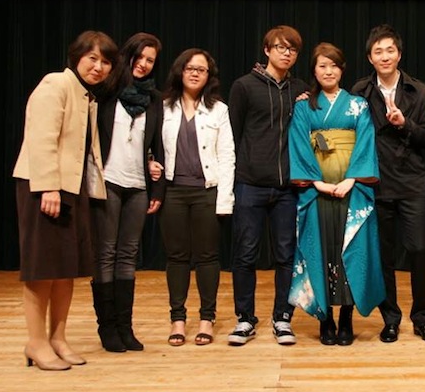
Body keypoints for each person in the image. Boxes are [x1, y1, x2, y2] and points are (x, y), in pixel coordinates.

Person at [13, 30, 119, 370]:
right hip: (45, 187)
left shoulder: (86, 96)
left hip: (72, 189)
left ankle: (58, 338)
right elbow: (41, 138)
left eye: (105, 62)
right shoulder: (56, 84)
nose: (99, 67)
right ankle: (36, 342)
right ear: (76, 57)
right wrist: (49, 188)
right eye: (93, 59)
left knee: (66, 271)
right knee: (42, 269)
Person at [287, 42, 384, 345]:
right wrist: (317, 183)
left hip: (350, 190)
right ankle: (325, 317)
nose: (328, 71)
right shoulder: (304, 107)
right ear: (314, 71)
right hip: (318, 192)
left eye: (334, 65)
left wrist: (352, 179)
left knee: (350, 252)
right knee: (324, 250)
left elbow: (366, 142)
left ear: (342, 69)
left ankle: (346, 318)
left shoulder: (358, 105)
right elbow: (299, 144)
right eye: (322, 66)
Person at [350, 23, 425, 343]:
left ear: (399, 54)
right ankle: (390, 318)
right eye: (378, 51)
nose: (385, 56)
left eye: (390, 50)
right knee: (383, 255)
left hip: (412, 182)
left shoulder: (419, 91)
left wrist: (405, 125)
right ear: (370, 57)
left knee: (419, 250)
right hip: (375, 183)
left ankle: (422, 318)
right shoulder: (360, 92)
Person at [226, 25, 309, 346]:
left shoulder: (300, 89)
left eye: (292, 49)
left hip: (288, 188)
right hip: (250, 184)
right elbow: (233, 135)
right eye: (280, 47)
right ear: (267, 50)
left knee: (286, 255)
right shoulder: (244, 87)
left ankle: (282, 318)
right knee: (245, 254)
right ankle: (245, 318)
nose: (286, 53)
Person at [89, 32, 165, 353]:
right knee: (106, 254)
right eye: (141, 57)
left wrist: (157, 180)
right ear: (128, 55)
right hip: (107, 181)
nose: (144, 65)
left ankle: (125, 327)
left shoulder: (154, 99)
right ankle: (107, 328)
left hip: (137, 186)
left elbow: (157, 145)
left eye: (150, 61)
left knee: (128, 256)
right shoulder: (106, 92)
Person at [159, 48, 235, 347]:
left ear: (208, 76)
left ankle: (207, 318)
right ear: (180, 71)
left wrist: (225, 199)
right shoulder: (163, 107)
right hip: (173, 191)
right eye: (189, 68)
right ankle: (177, 319)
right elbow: (151, 145)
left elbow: (227, 155)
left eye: (201, 70)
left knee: (207, 257)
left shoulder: (219, 110)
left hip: (207, 191)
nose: (194, 73)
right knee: (176, 257)